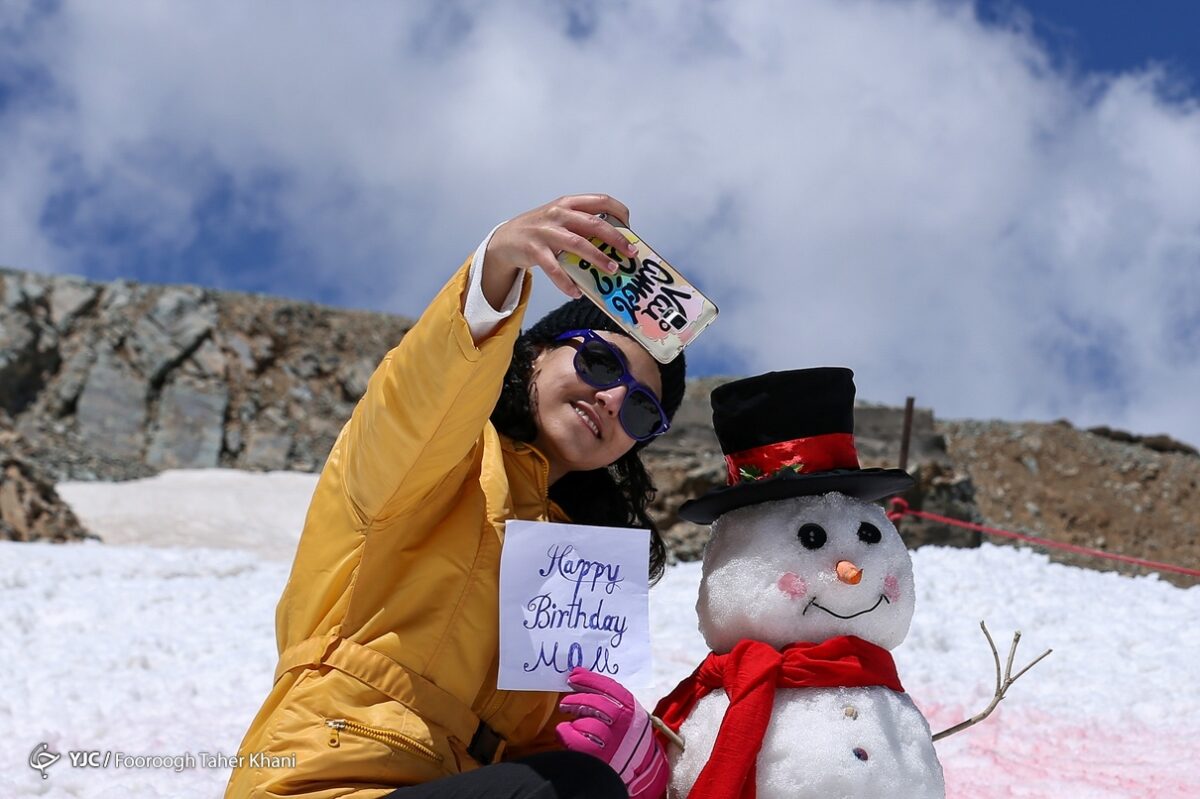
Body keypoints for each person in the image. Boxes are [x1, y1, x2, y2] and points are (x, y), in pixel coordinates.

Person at [225, 195, 686, 799]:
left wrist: (635, 753)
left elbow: (529, 753)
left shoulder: (578, 568)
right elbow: (418, 395)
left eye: (641, 409)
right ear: (536, 354)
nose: (611, 400)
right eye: (601, 363)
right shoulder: (436, 457)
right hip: (322, 775)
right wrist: (495, 266)